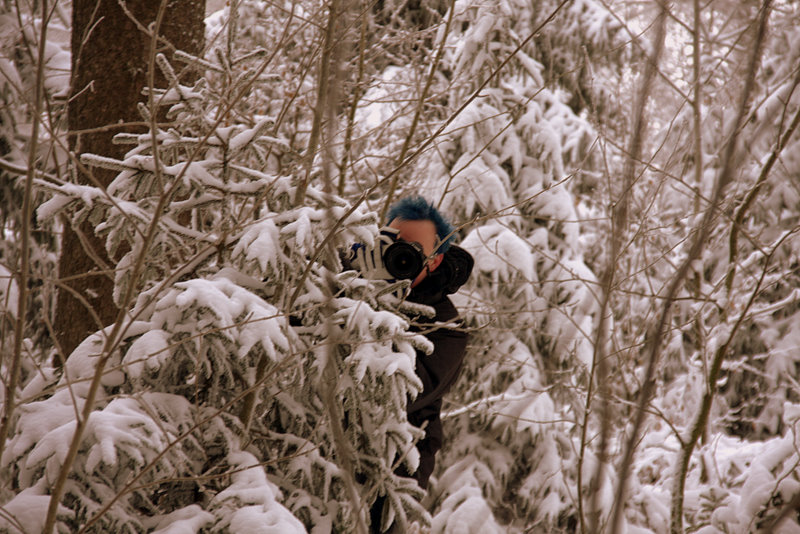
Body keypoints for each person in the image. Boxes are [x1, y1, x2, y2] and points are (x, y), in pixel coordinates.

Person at [348, 196, 473, 532]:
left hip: (395, 471)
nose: (400, 256)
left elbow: (398, 393)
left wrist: (375, 306)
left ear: (435, 261)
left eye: (416, 249)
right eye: (395, 244)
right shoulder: (348, 287)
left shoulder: (447, 328)